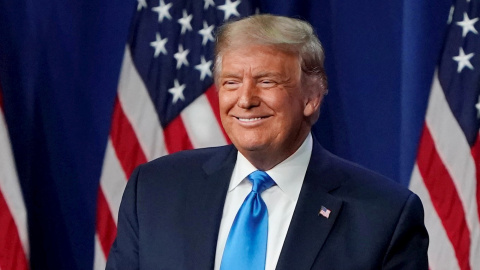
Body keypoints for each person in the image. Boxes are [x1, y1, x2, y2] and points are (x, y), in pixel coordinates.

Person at [106, 14, 428, 270]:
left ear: (312, 98)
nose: (245, 100)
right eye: (231, 82)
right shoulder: (153, 190)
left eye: (267, 81)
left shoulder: (384, 216)